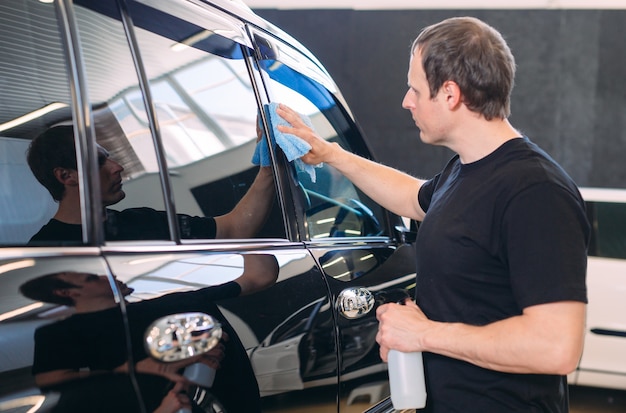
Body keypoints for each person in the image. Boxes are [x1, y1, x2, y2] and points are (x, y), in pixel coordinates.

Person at [276, 16, 589, 412]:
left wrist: (424, 335)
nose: (407, 101)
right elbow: (412, 198)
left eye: (414, 88)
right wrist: (330, 154)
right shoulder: (464, 170)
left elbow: (555, 347)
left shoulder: (535, 191)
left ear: (450, 94)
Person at [20, 254, 278, 413]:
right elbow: (51, 381)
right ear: (67, 293)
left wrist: (234, 231)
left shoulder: (175, 301)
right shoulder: (60, 333)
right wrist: (137, 368)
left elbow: (260, 276)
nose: (105, 275)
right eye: (91, 277)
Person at [26, 124, 275, 243]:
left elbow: (232, 230)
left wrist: (269, 170)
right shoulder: (47, 249)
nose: (117, 167)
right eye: (99, 161)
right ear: (66, 176)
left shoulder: (143, 221)